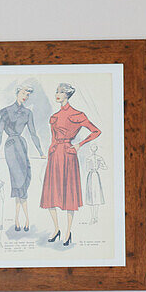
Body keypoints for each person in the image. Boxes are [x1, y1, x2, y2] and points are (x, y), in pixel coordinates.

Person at [40, 82, 101, 247]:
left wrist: (79, 145)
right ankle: (56, 229)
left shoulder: (77, 114)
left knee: (68, 194)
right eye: (56, 91)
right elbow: (53, 139)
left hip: (68, 154)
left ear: (67, 94)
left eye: (60, 92)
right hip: (54, 155)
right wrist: (50, 150)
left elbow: (96, 131)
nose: (57, 94)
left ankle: (68, 232)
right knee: (51, 194)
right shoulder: (54, 116)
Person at [0, 83, 44, 232]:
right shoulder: (5, 112)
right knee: (18, 181)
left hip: (22, 145)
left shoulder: (28, 113)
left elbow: (33, 133)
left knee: (25, 178)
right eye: (24, 93)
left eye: (28, 95)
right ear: (17, 93)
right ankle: (20, 218)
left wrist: (40, 152)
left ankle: (21, 219)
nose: (26, 97)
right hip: (10, 146)